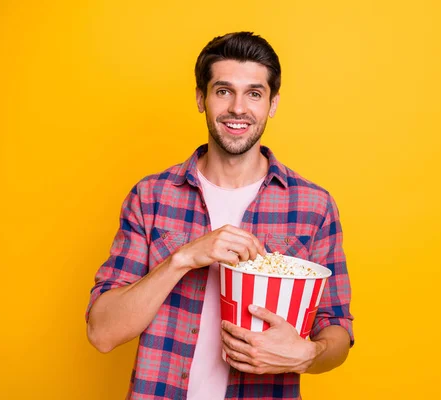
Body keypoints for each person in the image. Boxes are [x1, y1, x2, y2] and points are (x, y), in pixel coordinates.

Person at [86, 31, 354, 400]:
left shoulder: (313, 207)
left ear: (272, 104)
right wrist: (182, 258)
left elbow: (337, 328)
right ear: (201, 98)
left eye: (254, 94)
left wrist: (308, 354)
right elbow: (102, 332)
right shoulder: (151, 197)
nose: (238, 108)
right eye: (223, 91)